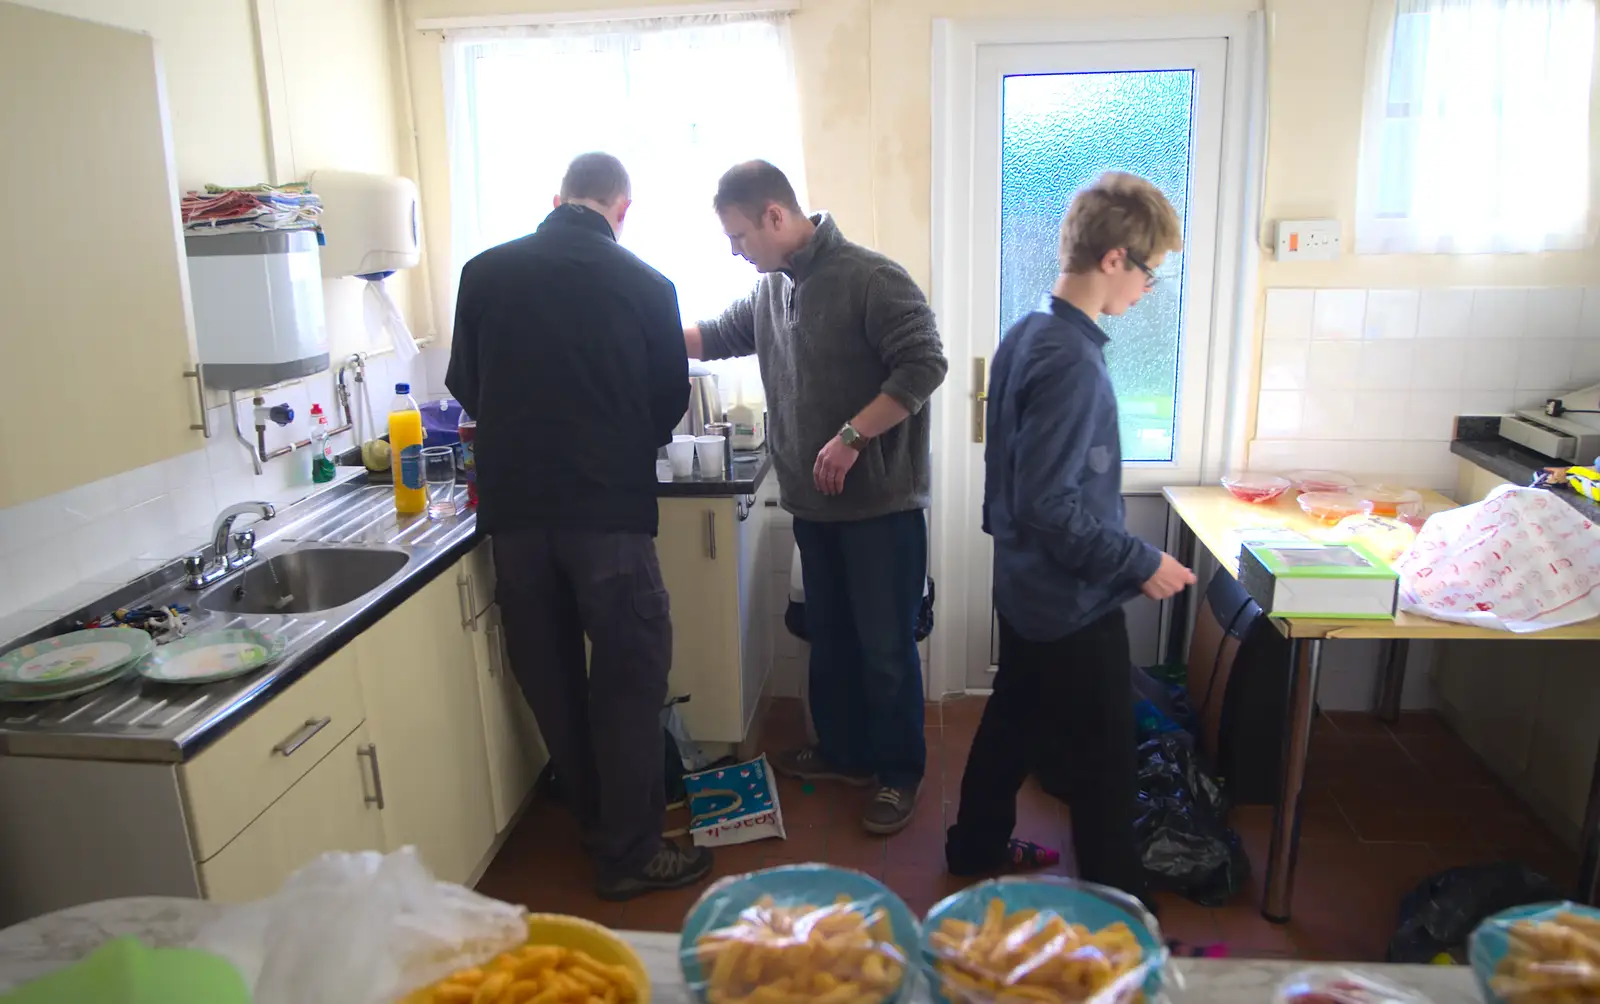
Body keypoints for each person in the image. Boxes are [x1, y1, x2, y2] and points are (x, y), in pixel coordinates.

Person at [445, 152, 710, 901]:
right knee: (628, 679)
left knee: (552, 677)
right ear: (622, 210)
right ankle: (627, 855)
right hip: (607, 519)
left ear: (555, 198)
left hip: (516, 517)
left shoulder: (483, 272)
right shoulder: (648, 285)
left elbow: (468, 384)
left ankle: (596, 819)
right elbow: (666, 403)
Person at [944, 172, 1196, 900]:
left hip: (1026, 589)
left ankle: (973, 847)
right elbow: (1051, 503)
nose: (1148, 289)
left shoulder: (1028, 333)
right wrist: (1137, 559)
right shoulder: (1073, 363)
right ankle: (1120, 913)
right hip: (1070, 604)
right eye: (1148, 272)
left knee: (1012, 722)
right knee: (1106, 765)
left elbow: (1014, 489)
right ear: (1114, 258)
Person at [686, 160, 948, 836]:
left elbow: (925, 364)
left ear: (776, 215)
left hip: (881, 508)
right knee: (828, 639)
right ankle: (844, 752)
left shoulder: (872, 279)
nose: (736, 251)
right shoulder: (775, 289)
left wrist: (853, 436)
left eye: (740, 236)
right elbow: (715, 336)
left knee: (885, 647)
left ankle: (898, 773)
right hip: (814, 506)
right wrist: (631, 327)